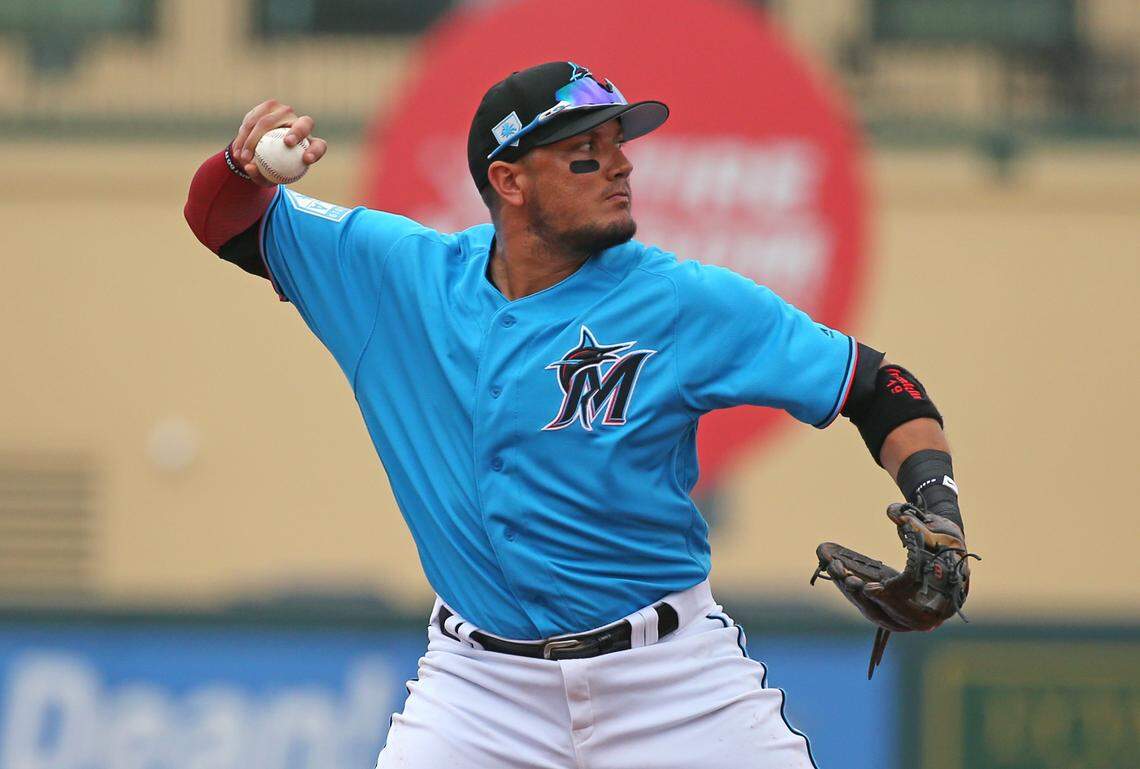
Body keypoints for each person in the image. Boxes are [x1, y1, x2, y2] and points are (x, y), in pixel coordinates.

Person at [184, 61, 970, 768]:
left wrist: (941, 507)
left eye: (619, 142)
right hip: (479, 691)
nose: (622, 163)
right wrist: (240, 167)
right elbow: (223, 221)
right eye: (585, 150)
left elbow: (881, 386)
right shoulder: (398, 277)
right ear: (511, 180)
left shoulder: (680, 301)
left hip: (670, 680)